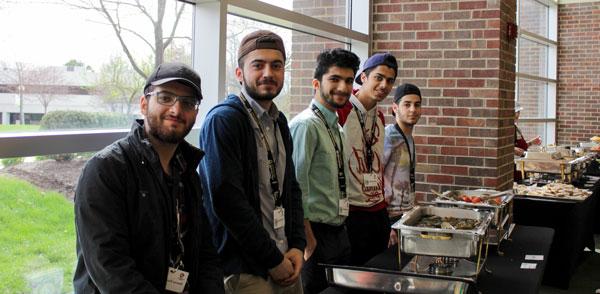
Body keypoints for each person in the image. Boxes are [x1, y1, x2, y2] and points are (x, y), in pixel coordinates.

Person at [73, 62, 224, 293]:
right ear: (144, 104)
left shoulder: (187, 172)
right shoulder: (106, 170)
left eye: (187, 102)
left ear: (196, 112)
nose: (176, 110)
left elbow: (205, 251)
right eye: (165, 98)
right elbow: (111, 270)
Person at [198, 30, 305, 294]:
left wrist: (297, 246)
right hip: (248, 268)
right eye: (258, 65)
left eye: (276, 65)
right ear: (239, 73)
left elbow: (290, 187)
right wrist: (272, 259)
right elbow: (227, 201)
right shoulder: (224, 121)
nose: (268, 72)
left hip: (285, 258)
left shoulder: (279, 121)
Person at [289, 48, 361, 294]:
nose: (343, 87)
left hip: (339, 231)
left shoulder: (335, 126)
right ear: (316, 83)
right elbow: (295, 186)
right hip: (316, 235)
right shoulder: (306, 125)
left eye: (349, 81)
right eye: (335, 79)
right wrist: (308, 239)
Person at [336, 52, 398, 265]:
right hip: (351, 214)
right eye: (378, 78)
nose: (384, 85)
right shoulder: (342, 110)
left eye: (390, 81)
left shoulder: (379, 117)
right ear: (363, 77)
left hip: (378, 212)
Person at [383, 83, 422, 246]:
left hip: (404, 216)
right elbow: (374, 180)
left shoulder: (409, 138)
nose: (413, 109)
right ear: (395, 107)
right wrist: (384, 226)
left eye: (417, 105)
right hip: (388, 219)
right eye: (407, 104)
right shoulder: (388, 136)